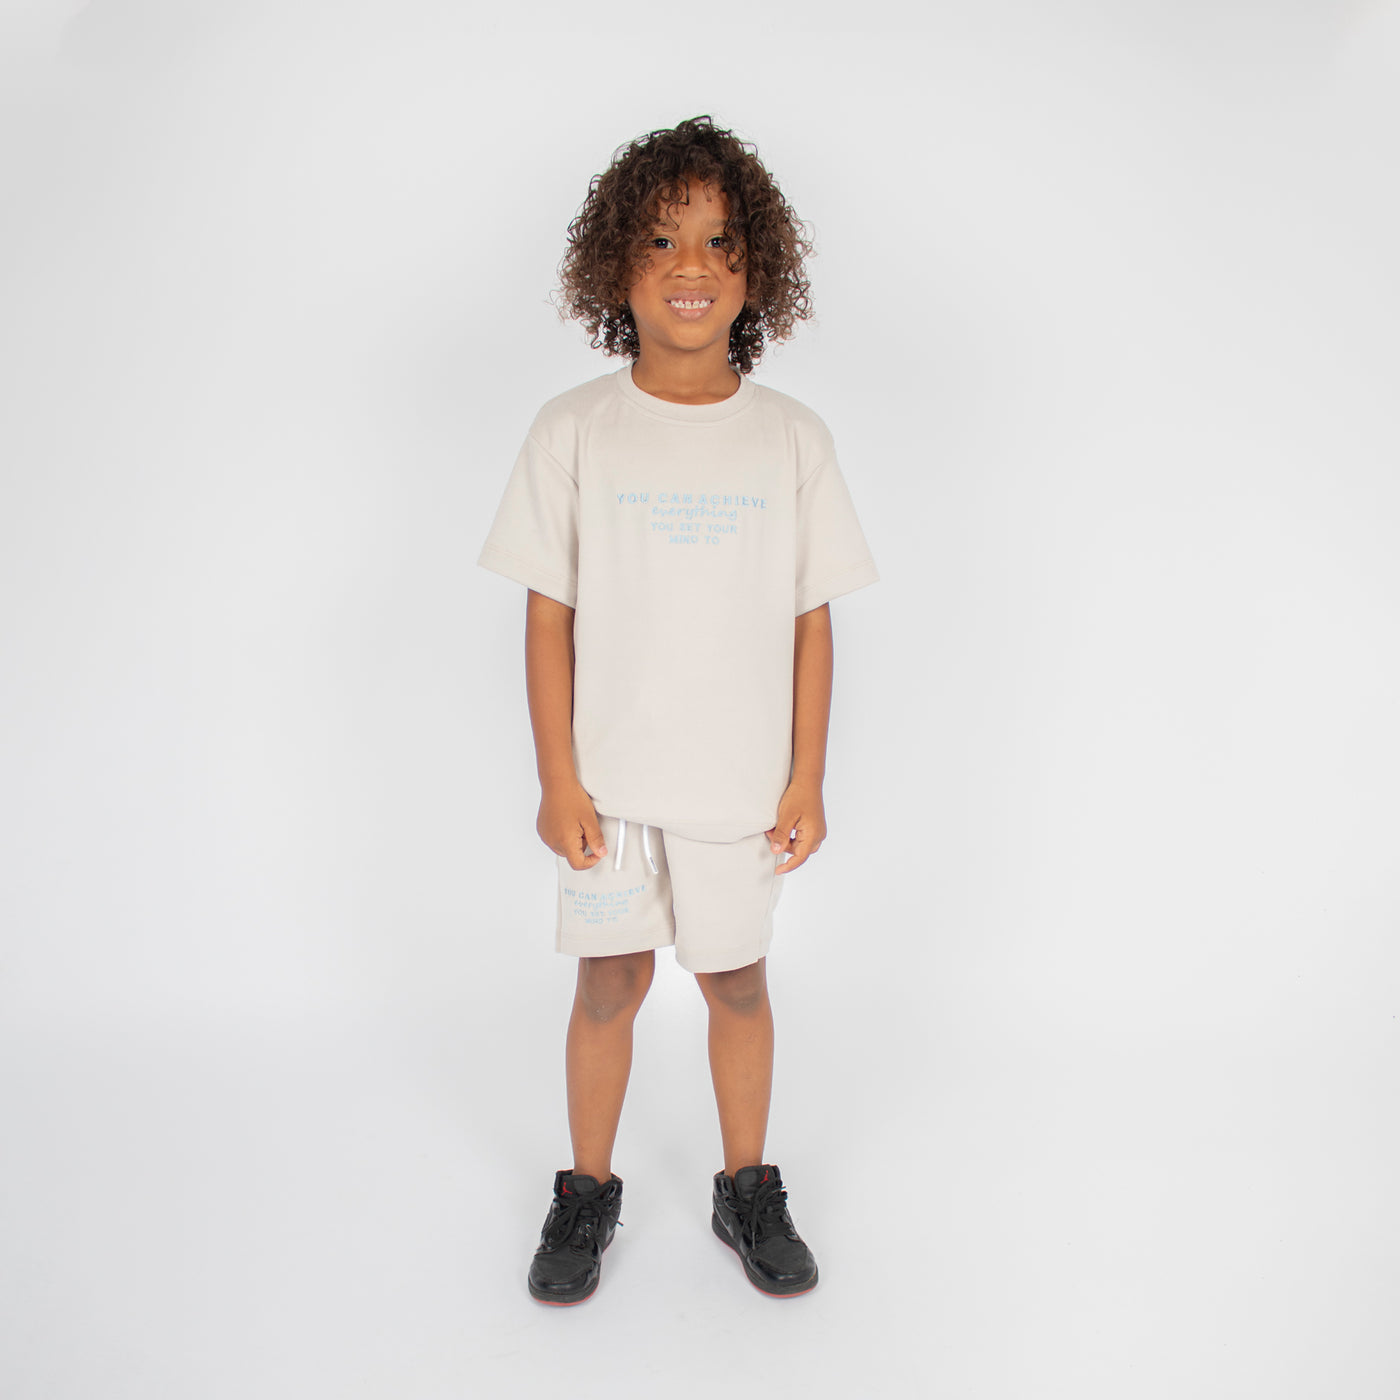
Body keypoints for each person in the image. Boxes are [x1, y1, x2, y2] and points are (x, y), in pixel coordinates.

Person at [476, 114, 879, 1305]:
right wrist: (557, 778)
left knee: (736, 982)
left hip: (736, 789)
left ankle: (745, 1184)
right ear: (615, 266)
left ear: (756, 271)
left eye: (717, 241)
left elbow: (812, 619)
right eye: (659, 239)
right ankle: (584, 1189)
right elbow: (546, 615)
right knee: (607, 985)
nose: (689, 264)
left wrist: (805, 776)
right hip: (606, 788)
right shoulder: (573, 429)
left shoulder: (791, 438)